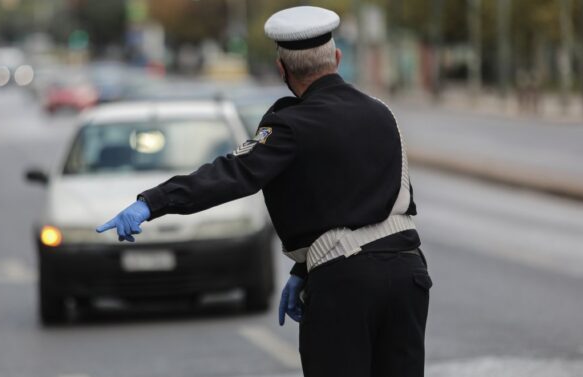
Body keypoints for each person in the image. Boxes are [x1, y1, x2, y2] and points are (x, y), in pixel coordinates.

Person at [96, 6, 432, 377]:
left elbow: (233, 173)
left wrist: (152, 202)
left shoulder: (289, 125)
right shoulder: (381, 112)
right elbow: (367, 199)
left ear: (281, 68)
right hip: (408, 274)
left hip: (345, 283)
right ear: (336, 58)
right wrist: (305, 267)